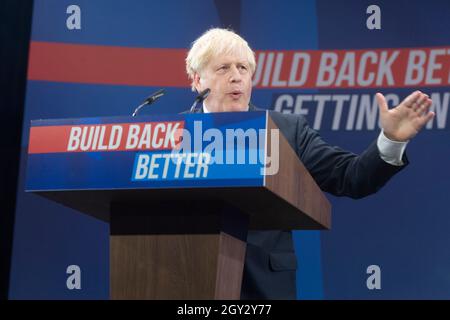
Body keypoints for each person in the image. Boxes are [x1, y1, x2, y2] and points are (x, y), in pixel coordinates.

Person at [185, 28, 435, 299]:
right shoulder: (171, 133)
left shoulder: (284, 129)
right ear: (198, 80)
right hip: (186, 277)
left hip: (264, 286)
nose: (237, 76)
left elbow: (351, 176)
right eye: (223, 68)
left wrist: (390, 140)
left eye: (243, 68)